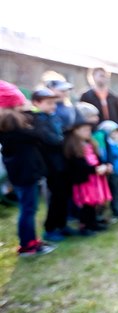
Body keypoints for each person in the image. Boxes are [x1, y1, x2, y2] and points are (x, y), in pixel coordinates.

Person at [0, 80, 56, 256]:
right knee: (28, 209)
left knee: (29, 208)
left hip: (22, 172)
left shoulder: (12, 122)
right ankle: (27, 244)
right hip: (24, 173)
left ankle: (31, 241)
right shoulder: (11, 122)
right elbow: (36, 135)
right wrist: (37, 115)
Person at [28, 88, 78, 241]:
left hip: (62, 163)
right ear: (37, 103)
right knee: (56, 197)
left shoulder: (53, 117)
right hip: (51, 166)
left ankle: (62, 225)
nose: (53, 106)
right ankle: (50, 229)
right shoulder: (37, 120)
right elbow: (52, 140)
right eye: (49, 103)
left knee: (64, 196)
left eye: (54, 103)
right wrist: (63, 139)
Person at [64, 112, 112, 236]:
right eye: (85, 130)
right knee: (87, 204)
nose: (88, 132)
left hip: (94, 178)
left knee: (94, 203)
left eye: (89, 130)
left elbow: (98, 157)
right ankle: (85, 226)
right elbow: (78, 164)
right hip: (84, 180)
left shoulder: (90, 143)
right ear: (76, 131)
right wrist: (94, 169)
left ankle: (93, 223)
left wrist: (104, 165)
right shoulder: (72, 146)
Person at [95, 119, 118, 221]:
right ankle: (117, 210)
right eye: (113, 132)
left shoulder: (117, 143)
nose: (116, 134)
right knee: (116, 192)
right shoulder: (108, 146)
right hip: (115, 173)